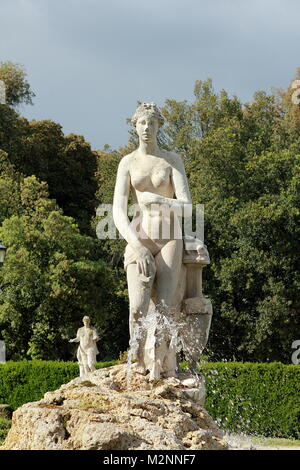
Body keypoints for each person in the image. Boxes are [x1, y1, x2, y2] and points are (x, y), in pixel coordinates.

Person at [113, 102, 192, 379]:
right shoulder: (128, 162)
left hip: (170, 238)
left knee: (166, 307)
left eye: (151, 123)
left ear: (159, 126)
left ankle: (160, 365)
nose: (146, 128)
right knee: (137, 305)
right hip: (141, 238)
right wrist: (136, 246)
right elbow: (117, 212)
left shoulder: (172, 160)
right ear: (135, 126)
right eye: (141, 123)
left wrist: (158, 199)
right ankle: (135, 361)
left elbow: (188, 208)